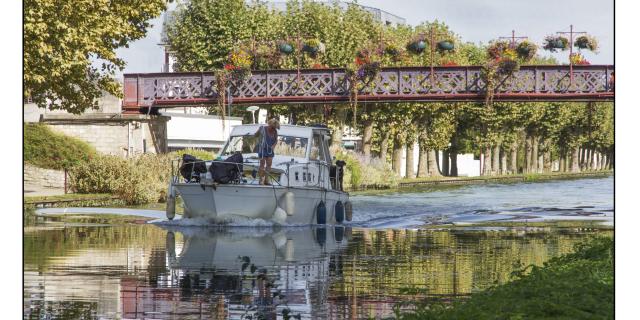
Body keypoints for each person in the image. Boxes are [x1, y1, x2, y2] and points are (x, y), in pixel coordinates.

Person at [254, 118, 280, 185]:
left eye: (275, 128)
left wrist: (273, 146)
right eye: (273, 127)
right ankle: (261, 180)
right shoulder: (263, 129)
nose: (274, 129)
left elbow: (276, 140)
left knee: (269, 164)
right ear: (270, 125)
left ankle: (266, 180)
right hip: (262, 149)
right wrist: (258, 133)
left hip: (270, 150)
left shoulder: (275, 132)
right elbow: (255, 135)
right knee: (262, 164)